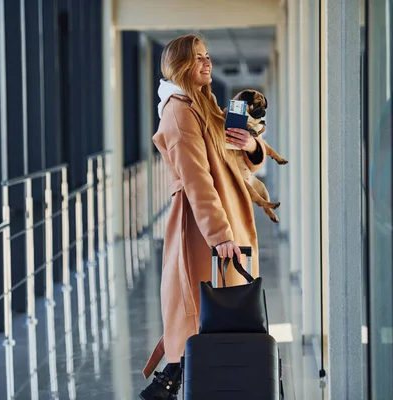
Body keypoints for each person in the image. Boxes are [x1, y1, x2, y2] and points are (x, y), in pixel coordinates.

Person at [139, 34, 267, 400]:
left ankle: (176, 379)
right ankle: (180, 379)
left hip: (223, 219)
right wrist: (220, 234)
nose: (207, 62)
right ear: (181, 66)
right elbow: (197, 180)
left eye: (208, 56)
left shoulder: (204, 105)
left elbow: (236, 160)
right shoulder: (179, 112)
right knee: (203, 310)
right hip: (202, 226)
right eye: (198, 58)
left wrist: (253, 145)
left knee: (220, 308)